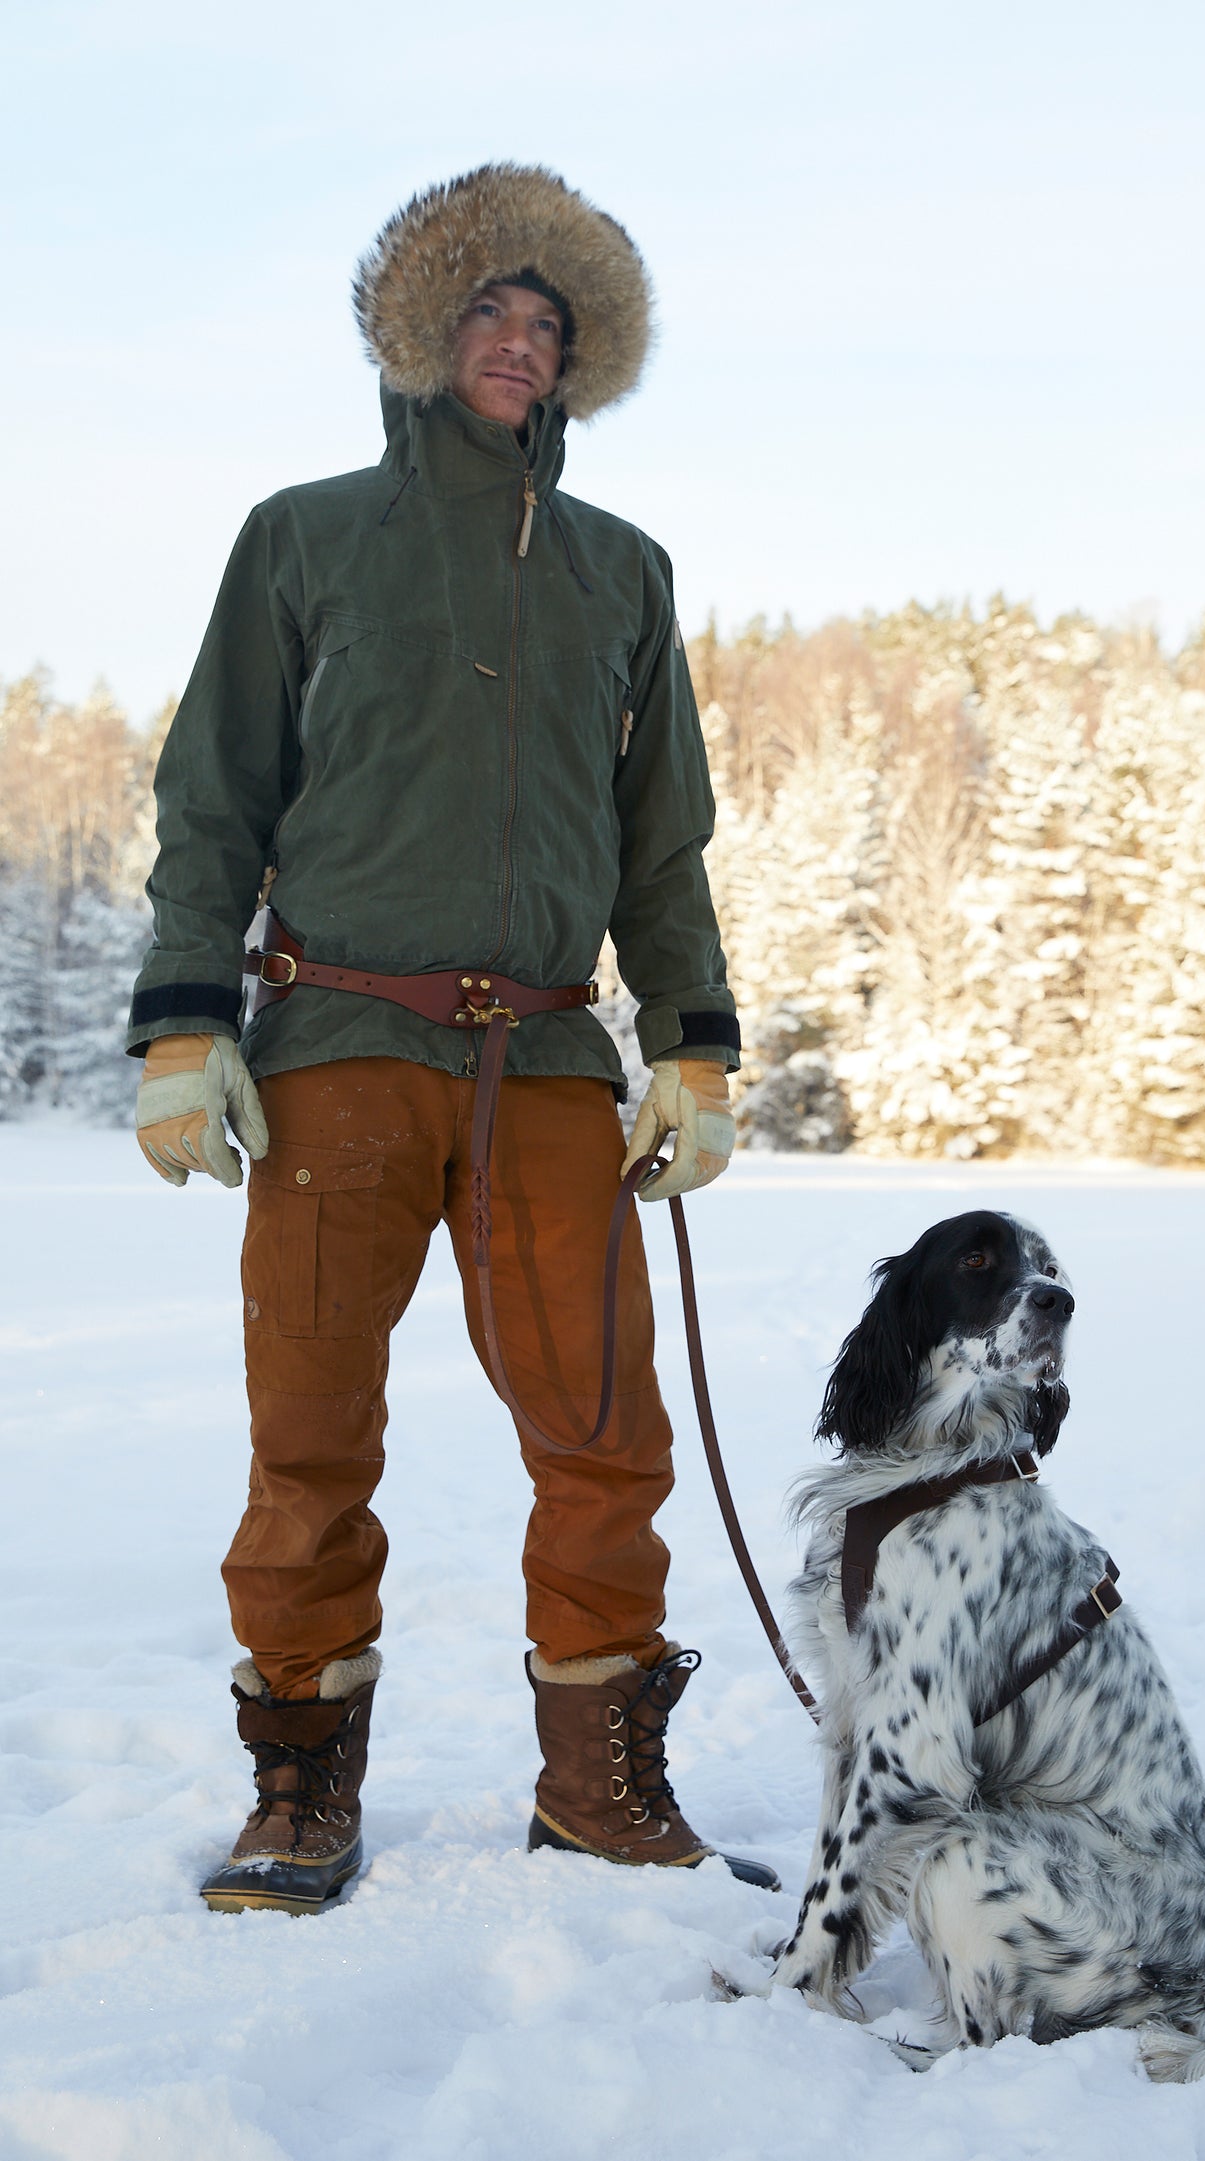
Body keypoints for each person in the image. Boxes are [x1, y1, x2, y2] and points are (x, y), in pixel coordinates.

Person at [128, 163, 777, 1912]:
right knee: (313, 1431)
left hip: (552, 1064)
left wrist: (696, 1047)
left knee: (602, 1434)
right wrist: (186, 1021)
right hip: (339, 1044)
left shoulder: (620, 572)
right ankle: (299, 1786)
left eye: (549, 325)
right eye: (488, 311)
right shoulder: (306, 533)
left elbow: (663, 837)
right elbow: (213, 796)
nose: (519, 342)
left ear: (581, 367)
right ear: (421, 341)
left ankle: (598, 1786)